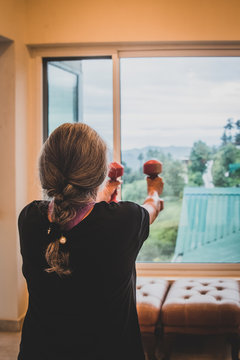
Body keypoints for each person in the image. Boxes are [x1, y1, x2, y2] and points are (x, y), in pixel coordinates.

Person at [18, 123, 164, 360]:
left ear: (46, 168)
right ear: (98, 172)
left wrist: (100, 198)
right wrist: (154, 191)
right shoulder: (124, 221)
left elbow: (74, 215)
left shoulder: (29, 219)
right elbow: (152, 209)